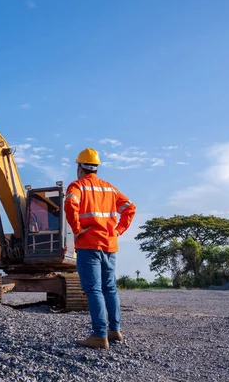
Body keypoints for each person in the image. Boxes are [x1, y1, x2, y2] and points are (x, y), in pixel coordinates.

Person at [64, 148, 136, 350]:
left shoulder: (78, 186)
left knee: (94, 289)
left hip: (89, 245)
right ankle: (114, 330)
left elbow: (70, 202)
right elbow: (131, 207)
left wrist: (77, 229)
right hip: (110, 245)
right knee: (110, 288)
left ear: (80, 168)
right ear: (95, 168)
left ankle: (99, 335)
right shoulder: (110, 189)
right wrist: (118, 230)